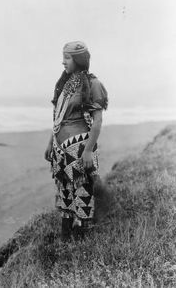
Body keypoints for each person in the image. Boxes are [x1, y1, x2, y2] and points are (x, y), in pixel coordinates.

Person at [44, 41, 108, 241]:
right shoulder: (65, 83)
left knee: (82, 191)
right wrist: (50, 143)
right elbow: (59, 119)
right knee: (64, 191)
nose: (63, 62)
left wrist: (88, 151)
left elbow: (97, 122)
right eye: (63, 57)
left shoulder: (93, 84)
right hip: (60, 148)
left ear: (79, 59)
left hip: (80, 147)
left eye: (67, 57)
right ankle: (65, 238)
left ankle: (83, 241)